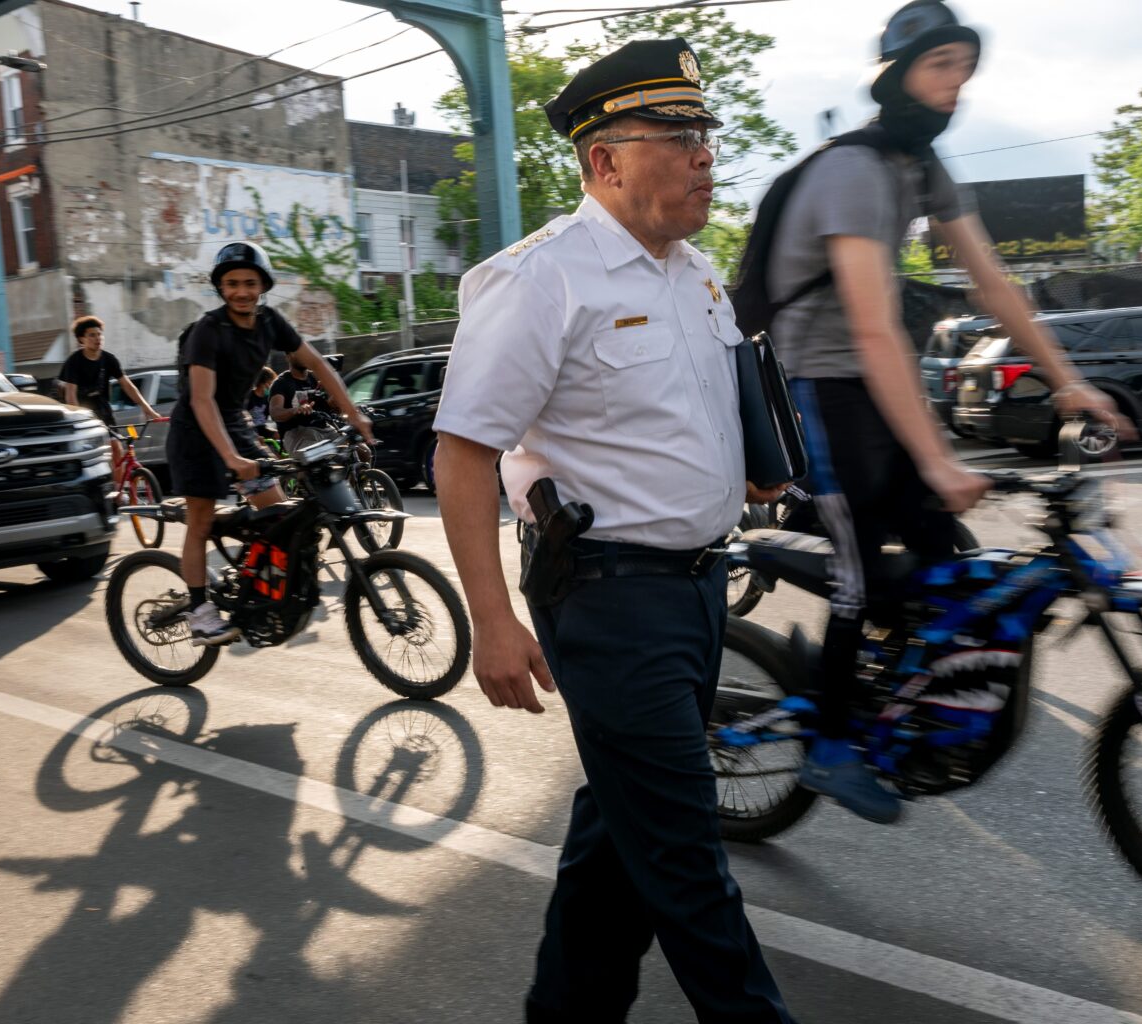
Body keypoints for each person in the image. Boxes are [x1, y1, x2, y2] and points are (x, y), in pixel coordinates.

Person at [434, 39, 795, 1024]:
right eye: (678, 136)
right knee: (687, 863)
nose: (705, 154)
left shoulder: (697, 276)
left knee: (620, 844)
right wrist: (491, 622)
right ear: (605, 160)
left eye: (705, 134)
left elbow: (699, 410)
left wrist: (751, 463)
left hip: (697, 587)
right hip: (605, 594)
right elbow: (462, 456)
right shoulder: (542, 279)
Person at [768, 0, 1128, 824]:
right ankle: (828, 749)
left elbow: (992, 281)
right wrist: (934, 457)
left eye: (965, 69)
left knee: (943, 551)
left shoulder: (921, 168)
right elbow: (867, 325)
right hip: (820, 384)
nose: (956, 86)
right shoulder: (854, 171)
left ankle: (895, 692)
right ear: (895, 76)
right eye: (940, 67)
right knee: (860, 573)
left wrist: (1067, 380)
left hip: (874, 377)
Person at [166, 242, 371, 645]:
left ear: (262, 285)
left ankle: (253, 587)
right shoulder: (209, 330)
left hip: (236, 424)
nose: (241, 291)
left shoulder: (270, 321)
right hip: (195, 432)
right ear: (220, 287)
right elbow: (202, 399)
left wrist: (353, 413)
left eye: (249, 282)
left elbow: (317, 364)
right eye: (231, 284)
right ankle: (200, 612)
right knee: (201, 521)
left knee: (279, 514)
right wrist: (230, 457)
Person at [58, 316, 161, 486]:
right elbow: (70, 395)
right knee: (88, 455)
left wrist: (147, 408)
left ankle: (119, 495)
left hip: (103, 410)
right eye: (92, 335)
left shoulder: (109, 359)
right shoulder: (74, 362)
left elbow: (127, 385)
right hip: (83, 412)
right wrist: (78, 420)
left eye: (99, 334)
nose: (97, 338)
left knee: (117, 449)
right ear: (81, 339)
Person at [269, 356, 339, 453]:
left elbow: (332, 407)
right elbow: (275, 413)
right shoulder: (281, 383)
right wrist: (295, 410)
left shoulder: (315, 377)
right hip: (296, 432)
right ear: (288, 356)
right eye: (296, 352)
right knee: (317, 455)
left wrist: (334, 402)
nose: (302, 356)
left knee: (360, 450)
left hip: (324, 428)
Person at [248, 366, 279, 441]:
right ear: (263, 383)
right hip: (249, 430)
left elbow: (275, 415)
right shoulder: (249, 397)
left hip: (262, 429)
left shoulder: (268, 398)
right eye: (270, 384)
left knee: (279, 435)